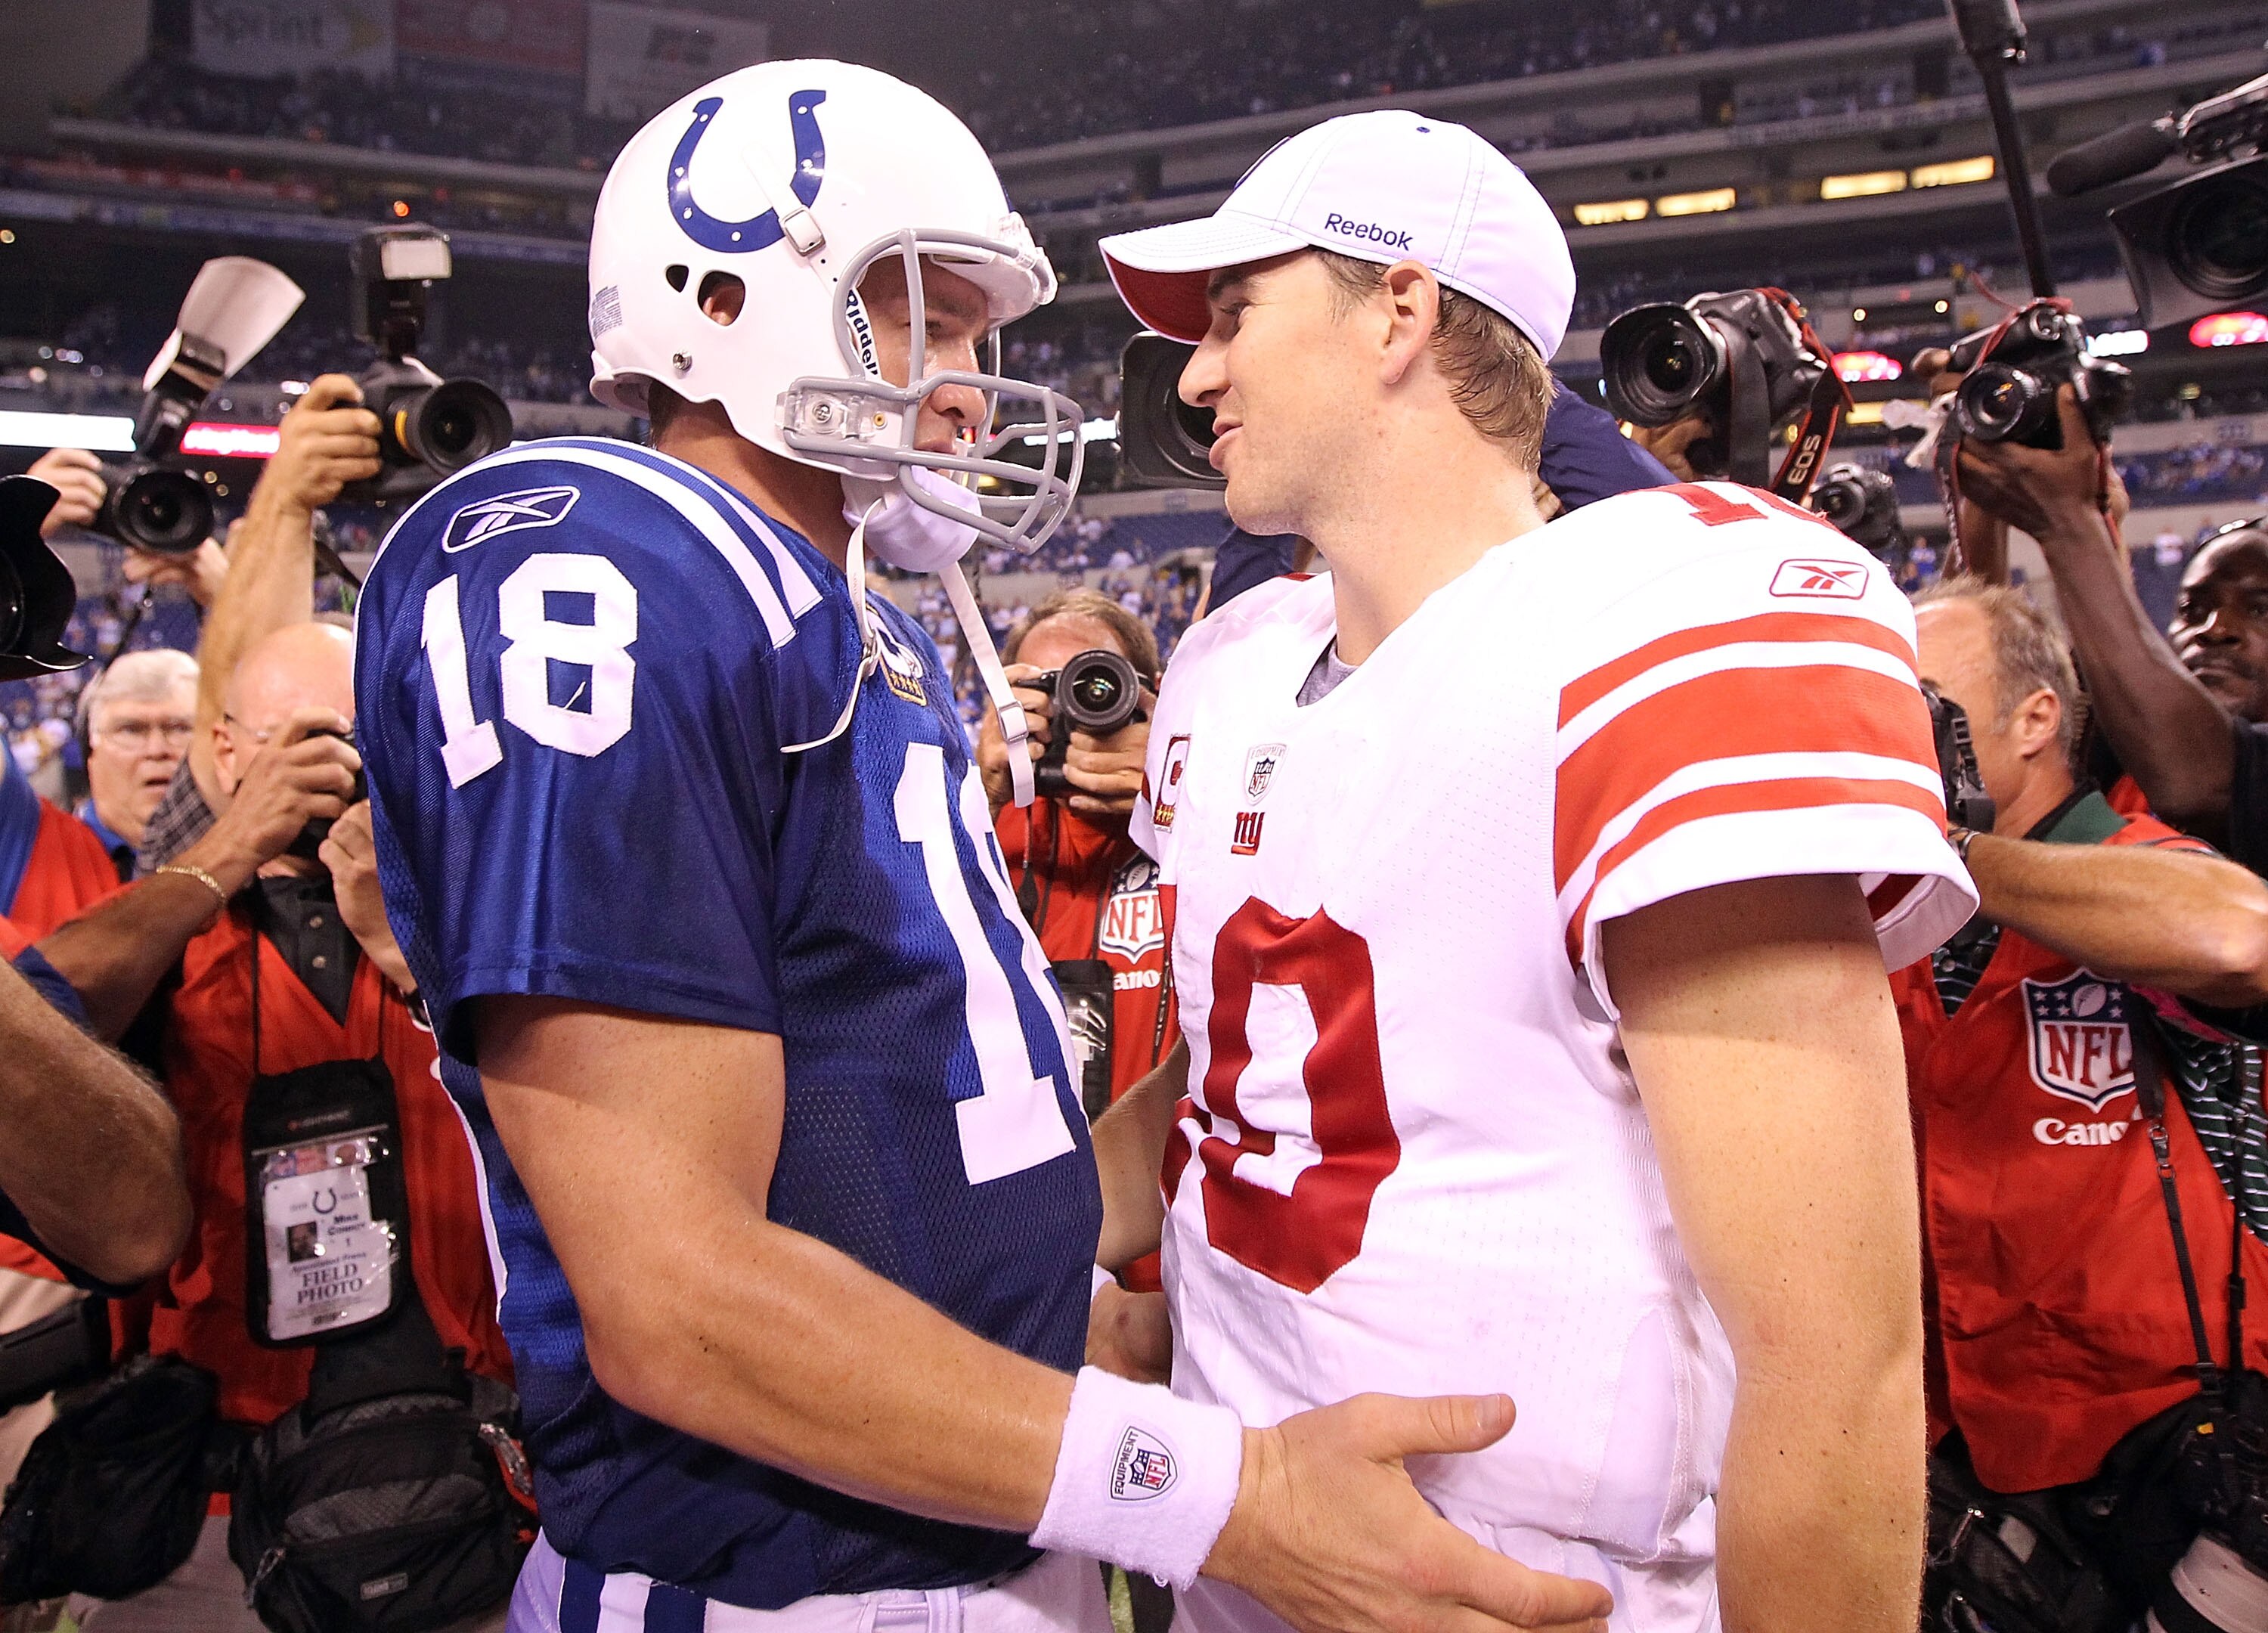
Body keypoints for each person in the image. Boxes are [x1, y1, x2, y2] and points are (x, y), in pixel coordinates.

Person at [356, 60, 1609, 1633]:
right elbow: (677, 1302)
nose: (966, 380)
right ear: (730, 294)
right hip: (787, 1586)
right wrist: (1226, 1495)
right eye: (926, 318)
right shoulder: (604, 563)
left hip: (971, 1520)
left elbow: (912, 1159)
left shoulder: (838, 617)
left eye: (976, 334)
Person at [1092, 107, 1977, 1632]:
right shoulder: (1234, 667)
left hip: (1559, 1596)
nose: (1197, 373)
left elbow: (1833, 1357)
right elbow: (1264, 1069)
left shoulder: (1649, 627)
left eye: (1237, 313)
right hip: (1253, 1570)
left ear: (1399, 306)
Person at [67, 622, 512, 1631]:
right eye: (307, 743)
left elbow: (572, 1140)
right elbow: (39, 1033)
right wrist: (227, 851)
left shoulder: (475, 912)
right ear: (225, 756)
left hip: (471, 1473)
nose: (340, 772)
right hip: (224, 1494)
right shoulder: (160, 932)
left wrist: (407, 945)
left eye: (367, 741)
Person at [1895, 577, 2268, 1621]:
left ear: (2036, 720)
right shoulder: (1883, 920)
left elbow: (2240, 938)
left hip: (2177, 1471)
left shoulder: (2136, 866)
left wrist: (1945, 850)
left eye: (1920, 704)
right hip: (1960, 1471)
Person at [978, 590, 1173, 1289]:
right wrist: (980, 792)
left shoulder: (1203, 835)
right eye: (1042, 694)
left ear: (1151, 698)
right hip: (1034, 1268)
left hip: (1180, 1277)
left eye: (1096, 685)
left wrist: (1182, 792)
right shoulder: (975, 840)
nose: (1072, 713)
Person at [135, 374, 381, 872]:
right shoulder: (194, 885)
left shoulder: (454, 888)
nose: (324, 769)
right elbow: (241, 688)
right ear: (226, 754)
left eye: (350, 738)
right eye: (284, 740)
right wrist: (285, 498)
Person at [73, 650, 199, 880]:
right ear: (91, 753)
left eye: (180, 728)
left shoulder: (254, 863)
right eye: (131, 730)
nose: (157, 750)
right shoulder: (35, 844)